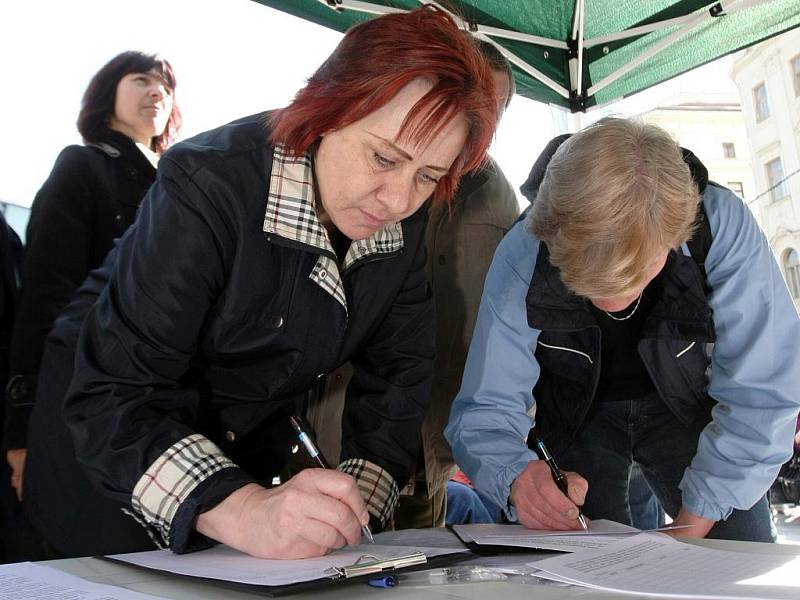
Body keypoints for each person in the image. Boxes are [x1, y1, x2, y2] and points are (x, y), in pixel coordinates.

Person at [24, 6, 499, 559]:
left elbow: (400, 373)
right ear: (327, 109)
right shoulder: (205, 185)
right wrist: (242, 509)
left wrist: (355, 505)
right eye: (382, 157)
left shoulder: (405, 222)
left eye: (428, 176)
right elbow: (114, 393)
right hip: (109, 439)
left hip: (237, 444)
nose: (398, 201)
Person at [446, 117, 800, 541]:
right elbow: (487, 406)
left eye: (638, 275)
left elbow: (762, 390)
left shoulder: (720, 224)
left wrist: (692, 526)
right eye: (585, 281)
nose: (613, 304)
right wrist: (517, 478)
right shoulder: (524, 248)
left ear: (675, 234)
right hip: (577, 414)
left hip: (693, 411)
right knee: (581, 570)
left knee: (740, 554)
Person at [307, 39, 520, 529]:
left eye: (494, 107)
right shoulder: (351, 177)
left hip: (431, 436)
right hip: (335, 419)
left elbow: (503, 328)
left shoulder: (496, 198)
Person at [3, 51, 181, 507]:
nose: (157, 91)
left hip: (160, 415)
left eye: (166, 85)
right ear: (109, 93)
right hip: (77, 410)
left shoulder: (183, 185)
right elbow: (44, 302)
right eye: (141, 79)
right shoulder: (81, 166)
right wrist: (21, 431)